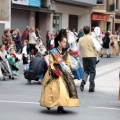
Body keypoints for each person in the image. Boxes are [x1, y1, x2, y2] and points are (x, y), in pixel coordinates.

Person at [40, 34, 79, 113]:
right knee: (52, 88)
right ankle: (49, 103)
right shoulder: (53, 51)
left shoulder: (66, 52)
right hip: (54, 70)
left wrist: (69, 72)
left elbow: (67, 63)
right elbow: (51, 63)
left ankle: (61, 106)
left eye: (65, 42)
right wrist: (54, 71)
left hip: (64, 71)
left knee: (63, 88)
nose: (65, 43)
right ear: (59, 42)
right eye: (63, 42)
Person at [79, 26, 101, 92]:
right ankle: (91, 87)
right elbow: (98, 47)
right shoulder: (92, 39)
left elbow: (78, 49)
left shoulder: (80, 39)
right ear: (89, 31)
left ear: (83, 31)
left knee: (86, 70)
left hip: (84, 56)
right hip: (92, 56)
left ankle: (83, 81)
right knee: (92, 71)